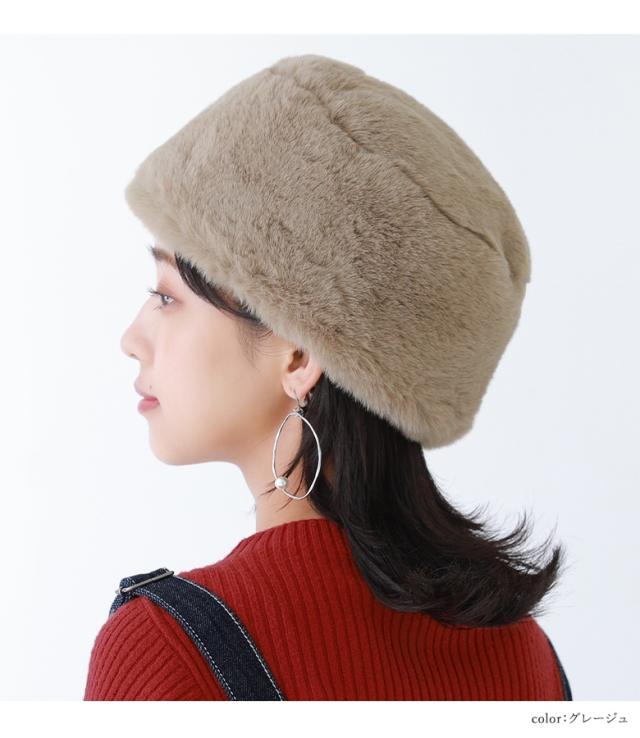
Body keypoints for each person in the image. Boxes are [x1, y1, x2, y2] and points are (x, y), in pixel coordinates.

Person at [83, 53, 571, 701]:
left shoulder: (166, 651)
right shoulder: (523, 650)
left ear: (298, 355)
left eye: (167, 296)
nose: (131, 339)